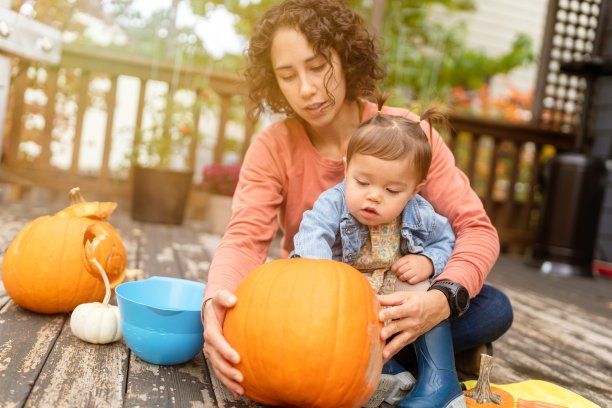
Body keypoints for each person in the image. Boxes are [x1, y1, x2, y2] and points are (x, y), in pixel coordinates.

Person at [202, 0, 513, 406]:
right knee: (216, 308)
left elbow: (476, 229)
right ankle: (402, 362)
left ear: (346, 58)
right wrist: (214, 307)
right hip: (314, 312)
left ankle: (387, 362)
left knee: (493, 307)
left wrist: (438, 301)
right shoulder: (274, 147)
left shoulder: (408, 135)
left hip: (399, 294)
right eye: (287, 75)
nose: (307, 89)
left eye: (318, 66)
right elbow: (243, 239)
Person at [291, 99, 464, 407]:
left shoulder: (420, 212)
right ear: (347, 167)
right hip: (344, 302)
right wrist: (322, 280)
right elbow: (312, 233)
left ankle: (441, 383)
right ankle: (388, 371)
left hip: (393, 302)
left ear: (415, 189)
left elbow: (446, 240)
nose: (373, 195)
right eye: (362, 181)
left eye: (392, 191)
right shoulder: (333, 203)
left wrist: (427, 261)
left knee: (423, 290)